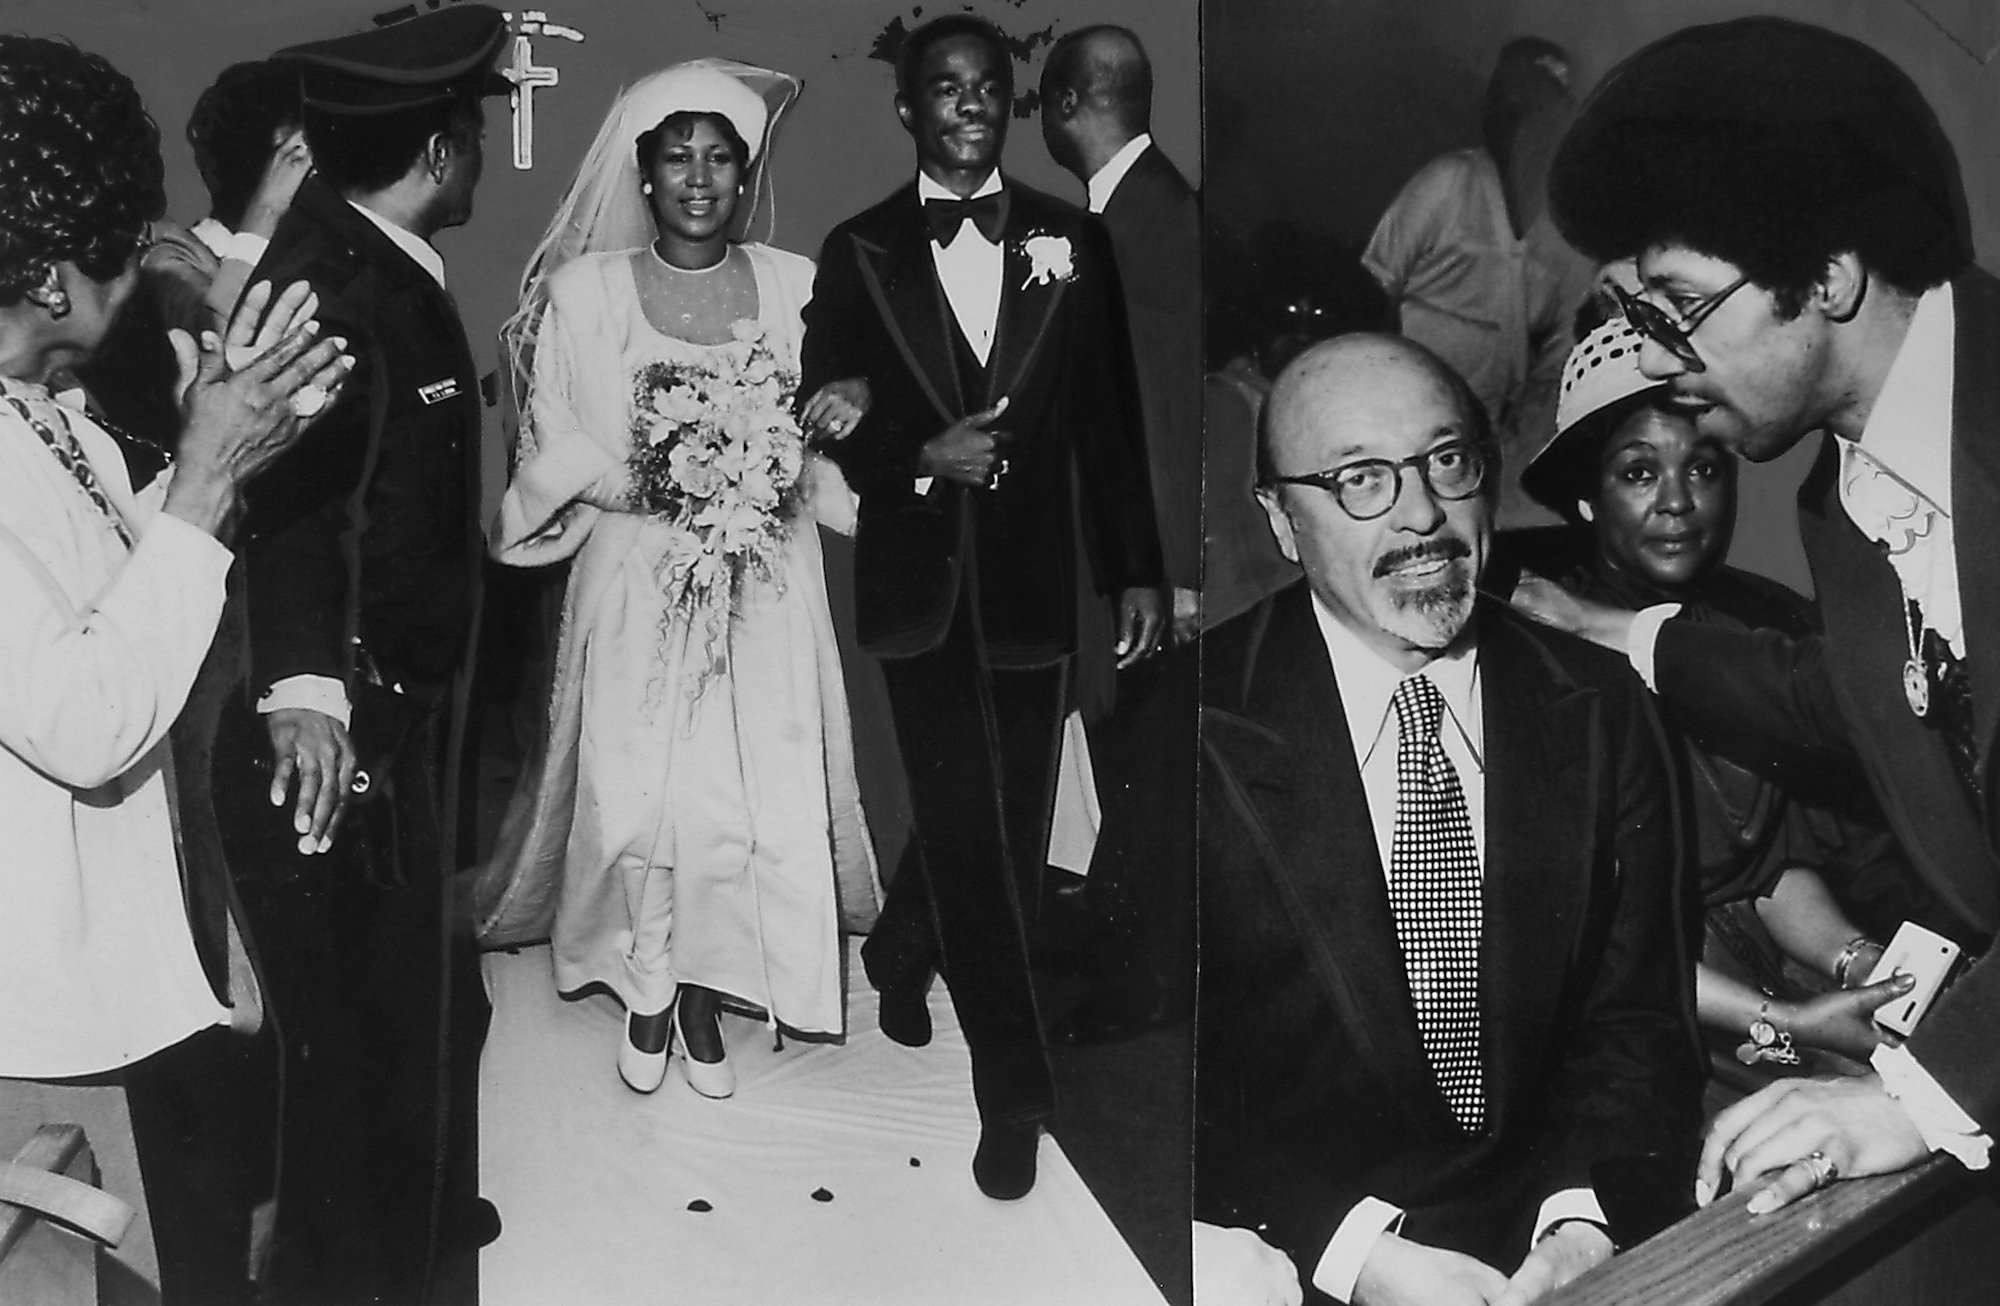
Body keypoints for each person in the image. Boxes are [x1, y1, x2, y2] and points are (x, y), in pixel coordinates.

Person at [1540, 15, 2000, 1217]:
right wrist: (1621, 633)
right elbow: (1841, 696)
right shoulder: (1841, 501)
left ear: (1831, 276)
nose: (1662, 357)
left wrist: (1921, 1092)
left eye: (1680, 306)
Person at [1194, 334, 1702, 1306]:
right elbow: (1149, 1071)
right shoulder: (1184, 725)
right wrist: (1353, 1256)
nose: (1422, 514)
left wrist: (1580, 1228)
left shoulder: (1602, 707)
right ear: (1278, 518)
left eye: (1447, 462)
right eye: (1359, 480)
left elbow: (1636, 1027)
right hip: (1291, 1262)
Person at [0, 34, 349, 1306]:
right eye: (116, 242)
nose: (145, 253)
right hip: (30, 1014)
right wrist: (201, 483)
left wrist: (221, 454)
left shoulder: (41, 403)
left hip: (112, 967)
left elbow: (95, 579)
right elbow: (84, 715)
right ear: (46, 276)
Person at [799, 13, 1166, 1200]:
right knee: (971, 828)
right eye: (940, 88)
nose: (965, 104)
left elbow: (1108, 418)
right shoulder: (854, 249)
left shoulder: (1072, 239)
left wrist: (1137, 568)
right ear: (906, 108)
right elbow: (824, 405)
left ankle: (903, 956)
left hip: (1027, 592)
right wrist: (916, 453)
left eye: (984, 88)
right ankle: (1015, 1095)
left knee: (995, 825)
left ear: (1009, 105)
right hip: (914, 586)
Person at [472, 58, 881, 1099]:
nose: (698, 178)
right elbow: (551, 444)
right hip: (634, 578)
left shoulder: (797, 285)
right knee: (635, 792)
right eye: (676, 157)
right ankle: (644, 983)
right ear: (643, 174)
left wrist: (793, 457)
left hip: (765, 581)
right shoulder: (584, 293)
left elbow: (826, 441)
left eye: (719, 159)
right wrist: (665, 475)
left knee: (743, 800)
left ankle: (706, 990)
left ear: (744, 176)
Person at [212, 7, 509, 1299]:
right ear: (443, 153)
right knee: (357, 1073)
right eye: (478, 134)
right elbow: (294, 503)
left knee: (411, 1032)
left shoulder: (369, 259)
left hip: (401, 720)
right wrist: (304, 692)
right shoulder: (332, 280)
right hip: (346, 740)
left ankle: (418, 1250)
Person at [1517, 319, 1927, 1070]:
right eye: (1639, 473)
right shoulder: (1543, 661)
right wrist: (1794, 1020)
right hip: (1649, 1025)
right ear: (1585, 497)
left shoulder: (1760, 619)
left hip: (1792, 979)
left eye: (1704, 469)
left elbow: (1767, 863)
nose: (1679, 502)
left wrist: (1855, 961)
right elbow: (1582, 940)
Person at [1037, 22, 1199, 1046]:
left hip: (1157, 566)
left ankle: (1141, 986)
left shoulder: (1145, 224)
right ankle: (1122, 958)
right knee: (1133, 767)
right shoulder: (1141, 211)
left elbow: (1170, 417)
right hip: (1134, 556)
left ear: (1064, 106)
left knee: (1149, 776)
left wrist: (1170, 575)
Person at [1362, 36, 1596, 528]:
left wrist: (1512, 462)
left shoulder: (1568, 233)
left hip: (1480, 454)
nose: (1522, 119)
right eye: (1511, 101)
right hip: (1393, 433)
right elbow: (1367, 292)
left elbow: (1558, 368)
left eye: (1540, 105)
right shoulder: (1446, 183)